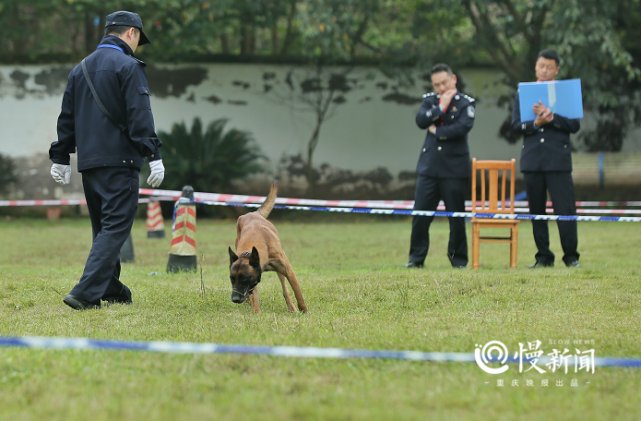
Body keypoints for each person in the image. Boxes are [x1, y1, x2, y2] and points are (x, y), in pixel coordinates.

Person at [49, 10, 165, 310]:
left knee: (103, 229)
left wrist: (61, 156)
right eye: (139, 39)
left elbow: (67, 117)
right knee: (115, 227)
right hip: (120, 163)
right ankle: (85, 293)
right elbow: (139, 114)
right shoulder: (129, 66)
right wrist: (153, 153)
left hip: (90, 164)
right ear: (131, 34)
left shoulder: (81, 69)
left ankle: (112, 288)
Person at [511, 49, 580, 268]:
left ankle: (571, 256)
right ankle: (543, 256)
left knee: (565, 209)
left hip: (558, 161)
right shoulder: (523, 92)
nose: (544, 70)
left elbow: (574, 125)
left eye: (549, 67)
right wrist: (536, 124)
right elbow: (515, 126)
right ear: (535, 67)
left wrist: (552, 118)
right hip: (532, 161)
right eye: (541, 66)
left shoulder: (566, 92)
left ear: (557, 69)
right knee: (536, 211)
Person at [407, 63, 476, 269]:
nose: (440, 88)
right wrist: (440, 107)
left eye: (444, 83)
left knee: (456, 218)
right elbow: (420, 121)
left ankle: (459, 260)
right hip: (429, 168)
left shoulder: (466, 103)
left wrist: (437, 131)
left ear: (453, 79)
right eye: (436, 85)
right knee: (420, 216)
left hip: (454, 170)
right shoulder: (430, 100)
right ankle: (415, 259)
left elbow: (462, 127)